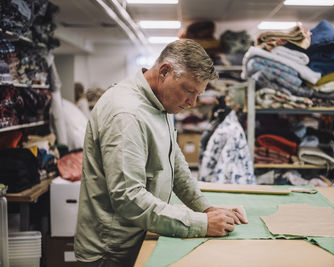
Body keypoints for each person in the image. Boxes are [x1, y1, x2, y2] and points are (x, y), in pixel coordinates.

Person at [74, 39, 247, 267]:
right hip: (111, 253)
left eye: (198, 94)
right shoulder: (127, 115)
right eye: (188, 91)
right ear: (165, 71)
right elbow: (128, 197)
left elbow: (174, 162)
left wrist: (205, 207)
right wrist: (201, 223)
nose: (192, 103)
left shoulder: (160, 102)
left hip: (137, 238)